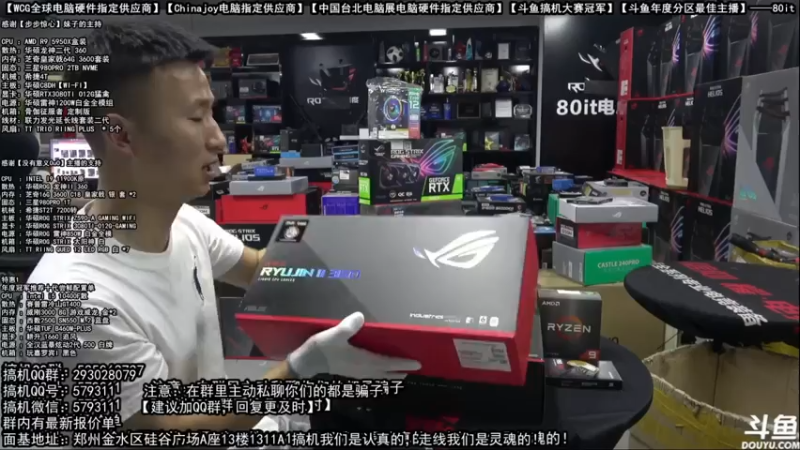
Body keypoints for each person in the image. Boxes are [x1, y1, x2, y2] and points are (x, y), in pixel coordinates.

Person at [19, 21, 421, 432]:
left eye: (210, 112)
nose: (218, 140)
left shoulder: (183, 221)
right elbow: (171, 429)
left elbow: (263, 269)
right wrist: (299, 370)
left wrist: (374, 261)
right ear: (120, 134)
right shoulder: (74, 304)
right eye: (196, 118)